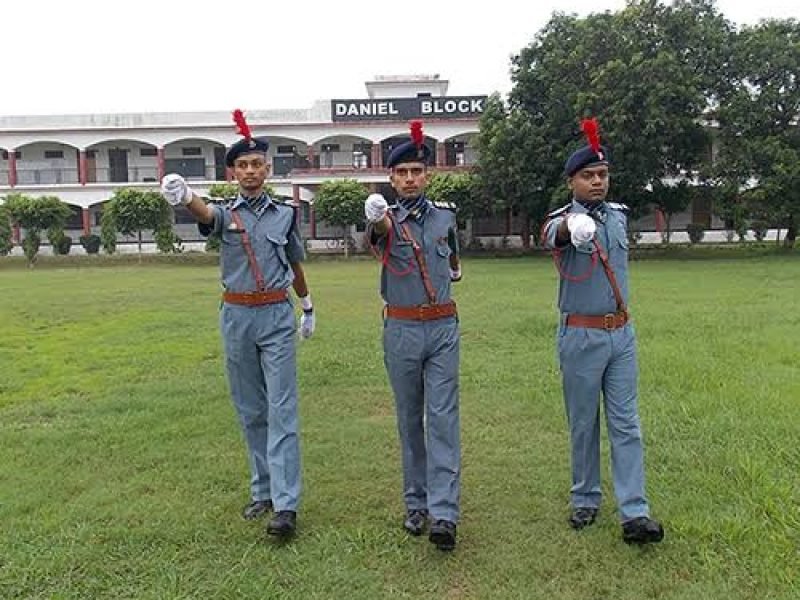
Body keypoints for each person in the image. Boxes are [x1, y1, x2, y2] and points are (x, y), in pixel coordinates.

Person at [160, 109, 315, 539]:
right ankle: (262, 490)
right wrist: (185, 195)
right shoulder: (226, 212)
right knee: (251, 409)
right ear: (233, 172)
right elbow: (206, 214)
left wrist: (307, 304)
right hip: (237, 316)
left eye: (257, 164)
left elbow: (294, 260)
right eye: (242, 165)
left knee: (282, 408)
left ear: (268, 169)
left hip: (276, 315)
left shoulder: (285, 213)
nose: (250, 171)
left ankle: (286, 506)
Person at [540, 118, 664, 545]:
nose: (598, 182)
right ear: (572, 181)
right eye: (588, 176)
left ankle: (635, 512)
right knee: (583, 423)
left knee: (627, 423)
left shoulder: (617, 218)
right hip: (581, 334)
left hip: (621, 335)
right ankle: (586, 499)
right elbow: (550, 237)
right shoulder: (561, 221)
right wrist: (569, 227)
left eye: (602, 174)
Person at [364, 120, 463, 551]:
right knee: (410, 421)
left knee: (442, 419)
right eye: (400, 173)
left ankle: (444, 512)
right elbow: (378, 234)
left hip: (442, 327)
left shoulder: (446, 216)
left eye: (415, 172)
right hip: (402, 328)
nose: (408, 179)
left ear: (427, 175)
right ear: (390, 178)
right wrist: (379, 219)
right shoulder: (383, 218)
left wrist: (454, 269)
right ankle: (416, 503)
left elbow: (453, 257)